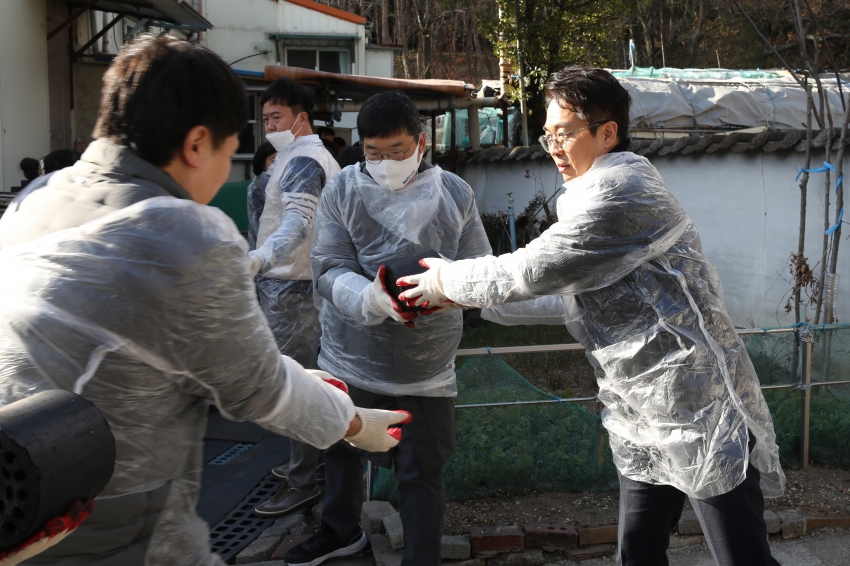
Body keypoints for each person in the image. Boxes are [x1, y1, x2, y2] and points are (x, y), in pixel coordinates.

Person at [0, 35, 409, 566]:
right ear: (196, 144)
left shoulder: (32, 201)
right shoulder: (185, 229)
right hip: (129, 531)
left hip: (22, 514)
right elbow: (258, 389)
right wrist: (351, 422)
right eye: (228, 146)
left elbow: (168, 346)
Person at [398, 66, 786, 566]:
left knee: (743, 558)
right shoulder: (586, 192)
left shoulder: (621, 191)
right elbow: (570, 299)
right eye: (547, 133)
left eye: (566, 133)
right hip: (642, 412)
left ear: (608, 132)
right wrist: (468, 300)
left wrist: (442, 281)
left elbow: (532, 269)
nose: (554, 146)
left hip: (699, 410)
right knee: (638, 552)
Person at [285, 91, 491, 566]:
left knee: (421, 469)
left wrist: (448, 292)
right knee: (340, 445)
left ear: (421, 142)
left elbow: (481, 267)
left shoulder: (454, 193)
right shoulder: (341, 190)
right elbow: (329, 266)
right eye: (374, 153)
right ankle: (339, 531)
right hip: (351, 352)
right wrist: (369, 298)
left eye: (397, 151)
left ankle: (422, 557)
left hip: (426, 366)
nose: (385, 163)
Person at [249, 78, 342, 518]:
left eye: (276, 117)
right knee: (296, 379)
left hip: (296, 287)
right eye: (265, 118)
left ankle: (306, 479)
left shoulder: (306, 160)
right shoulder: (291, 155)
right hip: (285, 283)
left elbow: (299, 223)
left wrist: (261, 258)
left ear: (301, 118)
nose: (269, 125)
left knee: (299, 384)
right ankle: (303, 464)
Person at [247, 141, 277, 250]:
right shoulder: (264, 183)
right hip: (267, 245)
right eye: (273, 160)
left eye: (281, 158)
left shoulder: (269, 181)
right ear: (263, 164)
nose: (278, 163)